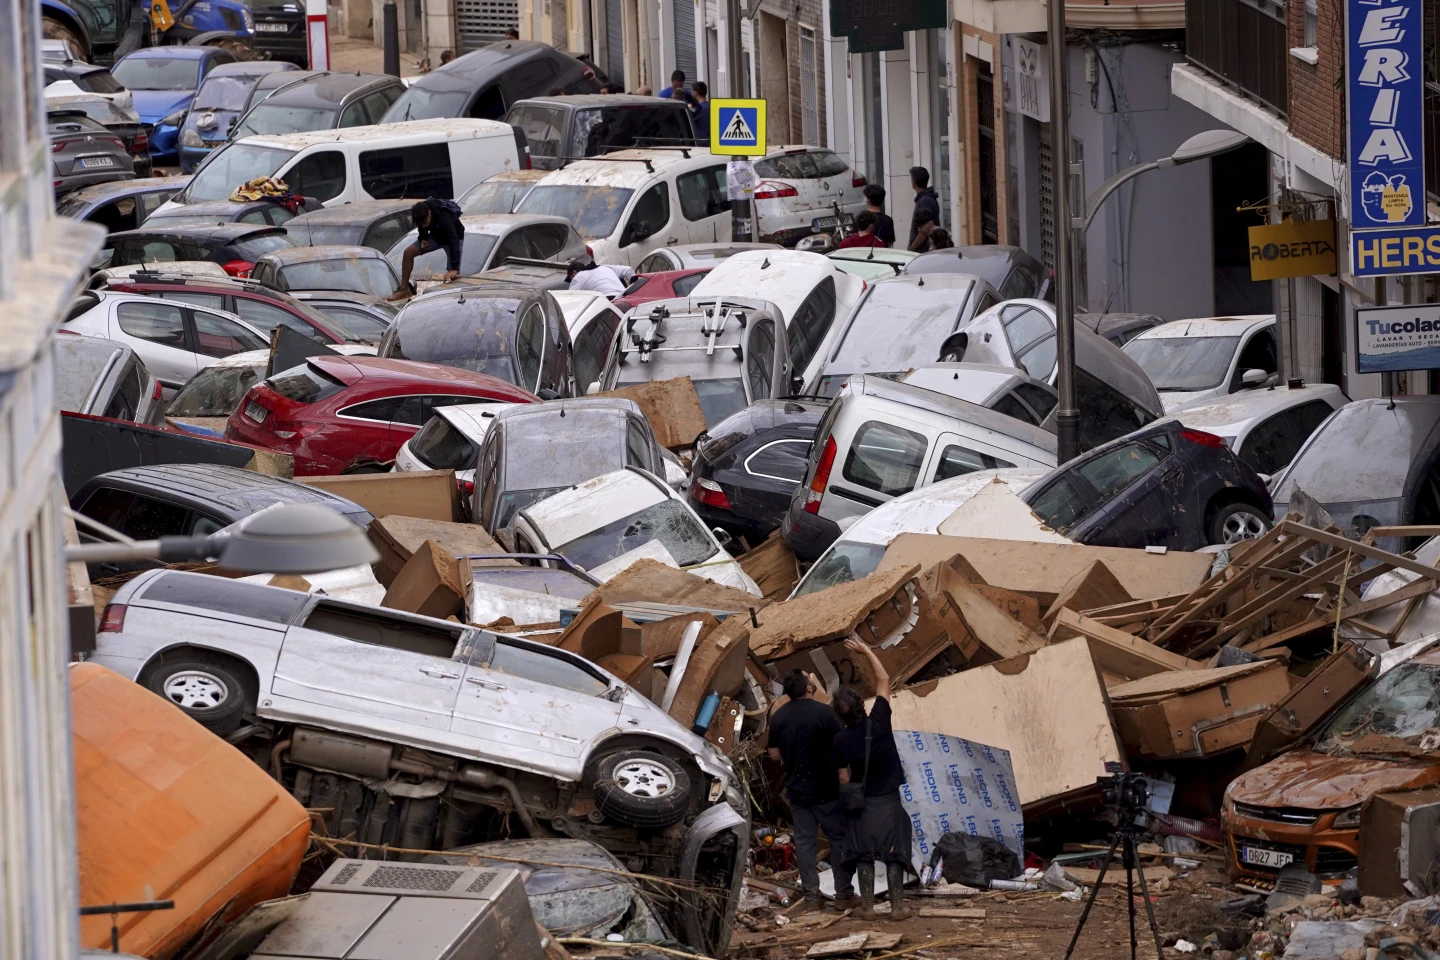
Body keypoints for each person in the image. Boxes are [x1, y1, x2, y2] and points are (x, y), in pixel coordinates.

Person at [832, 639, 913, 922]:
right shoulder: (879, 720)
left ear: (839, 716)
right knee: (894, 853)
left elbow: (843, 777)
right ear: (861, 705)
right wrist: (866, 651)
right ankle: (897, 908)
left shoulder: (841, 739)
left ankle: (867, 908)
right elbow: (884, 679)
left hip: (862, 804)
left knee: (863, 854)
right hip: (889, 801)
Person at [768, 670, 857, 913]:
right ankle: (843, 895)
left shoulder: (778, 717)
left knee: (805, 844)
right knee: (839, 841)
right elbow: (842, 745)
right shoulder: (825, 713)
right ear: (809, 688)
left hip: (797, 791)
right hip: (827, 790)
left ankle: (811, 898)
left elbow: (774, 755)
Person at [389, 197, 463, 300]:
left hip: (453, 239)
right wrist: (423, 239)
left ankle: (454, 297)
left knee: (453, 275)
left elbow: (453, 240)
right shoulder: (421, 213)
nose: (423, 225)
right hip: (436, 236)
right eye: (421, 223)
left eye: (425, 222)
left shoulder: (444, 217)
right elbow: (421, 227)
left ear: (429, 213)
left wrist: (454, 268)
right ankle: (404, 289)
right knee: (408, 252)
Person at [566, 256, 635, 298]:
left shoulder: (578, 276)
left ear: (574, 273)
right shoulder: (605, 267)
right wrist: (634, 290)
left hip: (607, 301)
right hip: (624, 297)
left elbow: (571, 298)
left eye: (571, 278)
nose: (571, 281)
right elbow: (628, 270)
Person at [908, 166, 941, 248]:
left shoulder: (925, 200)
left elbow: (925, 230)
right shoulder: (925, 199)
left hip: (923, 251)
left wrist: (911, 249)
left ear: (913, 183)